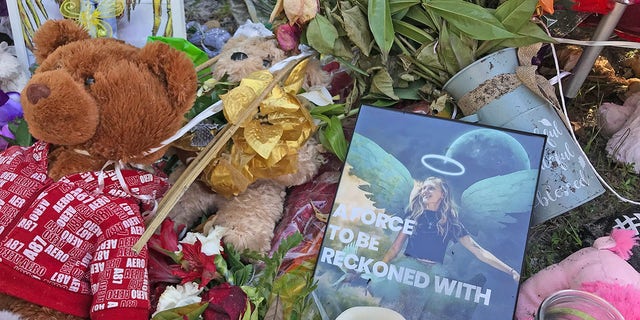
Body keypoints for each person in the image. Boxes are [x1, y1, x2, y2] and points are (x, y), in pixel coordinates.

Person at [382, 176, 520, 282]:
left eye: (430, 188)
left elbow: (479, 252)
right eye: (423, 188)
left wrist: (511, 271)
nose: (425, 191)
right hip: (406, 270)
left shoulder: (451, 223)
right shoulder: (413, 216)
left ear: (442, 194)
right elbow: (395, 248)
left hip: (431, 277)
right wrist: (379, 267)